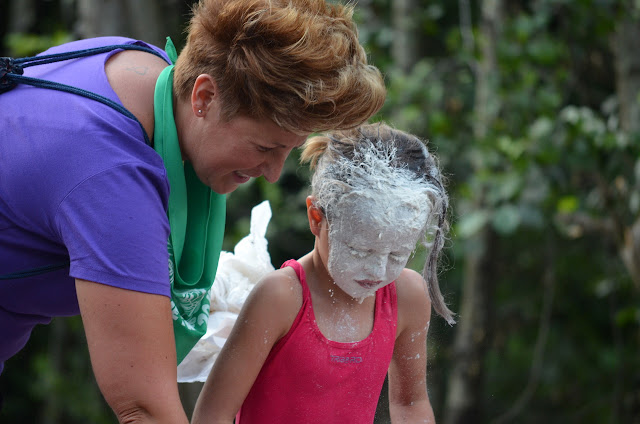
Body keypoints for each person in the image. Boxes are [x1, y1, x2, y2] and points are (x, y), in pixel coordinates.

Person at [0, 0, 386, 422]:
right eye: (264, 148)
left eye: (288, 151)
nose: (273, 174)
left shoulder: (141, 67)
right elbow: (144, 409)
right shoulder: (112, 176)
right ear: (203, 95)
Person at [191, 122, 456, 424]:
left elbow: (411, 404)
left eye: (398, 254)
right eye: (360, 250)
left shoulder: (407, 295)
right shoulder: (280, 298)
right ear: (316, 218)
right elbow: (212, 415)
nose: (378, 270)